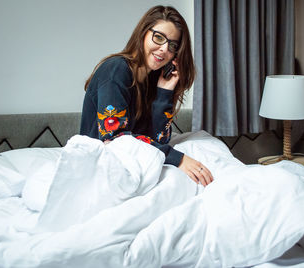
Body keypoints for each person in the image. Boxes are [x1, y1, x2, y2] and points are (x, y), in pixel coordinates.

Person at [80, 5, 213, 186]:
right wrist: (178, 159)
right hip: (101, 164)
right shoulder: (116, 70)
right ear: (143, 33)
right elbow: (115, 139)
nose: (164, 49)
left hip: (134, 163)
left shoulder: (153, 79)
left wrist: (164, 92)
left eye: (172, 45)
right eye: (158, 37)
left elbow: (159, 139)